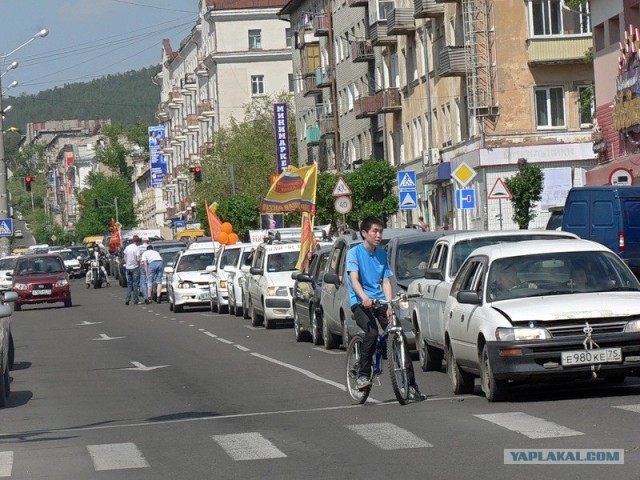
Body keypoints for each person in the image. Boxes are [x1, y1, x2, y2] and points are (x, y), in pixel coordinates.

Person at [346, 216, 426, 401]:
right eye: (374, 231)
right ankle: (363, 375)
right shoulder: (354, 253)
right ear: (364, 233)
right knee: (372, 333)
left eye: (380, 231)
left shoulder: (381, 254)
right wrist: (364, 298)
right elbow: (354, 279)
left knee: (398, 335)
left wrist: (389, 304)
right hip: (360, 302)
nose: (378, 235)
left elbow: (386, 281)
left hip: (380, 301)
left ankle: (411, 386)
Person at [124, 236, 141, 305]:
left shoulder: (127, 247)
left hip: (128, 267)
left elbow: (124, 256)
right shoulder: (136, 248)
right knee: (135, 284)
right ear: (137, 241)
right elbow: (138, 258)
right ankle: (135, 300)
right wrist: (138, 265)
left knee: (129, 284)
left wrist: (127, 263)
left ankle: (127, 298)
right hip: (135, 267)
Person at [138, 237, 150, 302]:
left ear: (142, 241)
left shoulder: (139, 247)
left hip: (142, 264)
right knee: (149, 280)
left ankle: (146, 296)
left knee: (143, 281)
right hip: (149, 264)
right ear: (147, 241)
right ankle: (149, 295)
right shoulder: (150, 247)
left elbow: (137, 256)